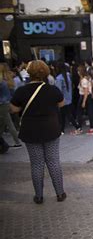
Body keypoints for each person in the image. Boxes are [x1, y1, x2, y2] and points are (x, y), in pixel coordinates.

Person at [10, 60, 67, 204]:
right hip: (51, 129)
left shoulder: (21, 91)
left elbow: (14, 109)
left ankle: (39, 196)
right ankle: (60, 194)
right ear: (45, 72)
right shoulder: (52, 89)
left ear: (29, 73)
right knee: (53, 161)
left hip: (30, 131)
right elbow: (61, 104)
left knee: (36, 163)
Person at [55, 62, 81, 135]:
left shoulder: (59, 78)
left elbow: (58, 90)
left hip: (62, 99)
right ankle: (62, 130)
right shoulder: (68, 75)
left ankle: (77, 127)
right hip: (68, 98)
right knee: (64, 114)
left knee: (67, 115)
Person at [0, 63, 22, 148]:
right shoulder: (9, 79)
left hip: (2, 103)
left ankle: (17, 141)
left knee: (8, 122)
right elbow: (12, 92)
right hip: (7, 102)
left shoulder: (2, 81)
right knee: (4, 122)